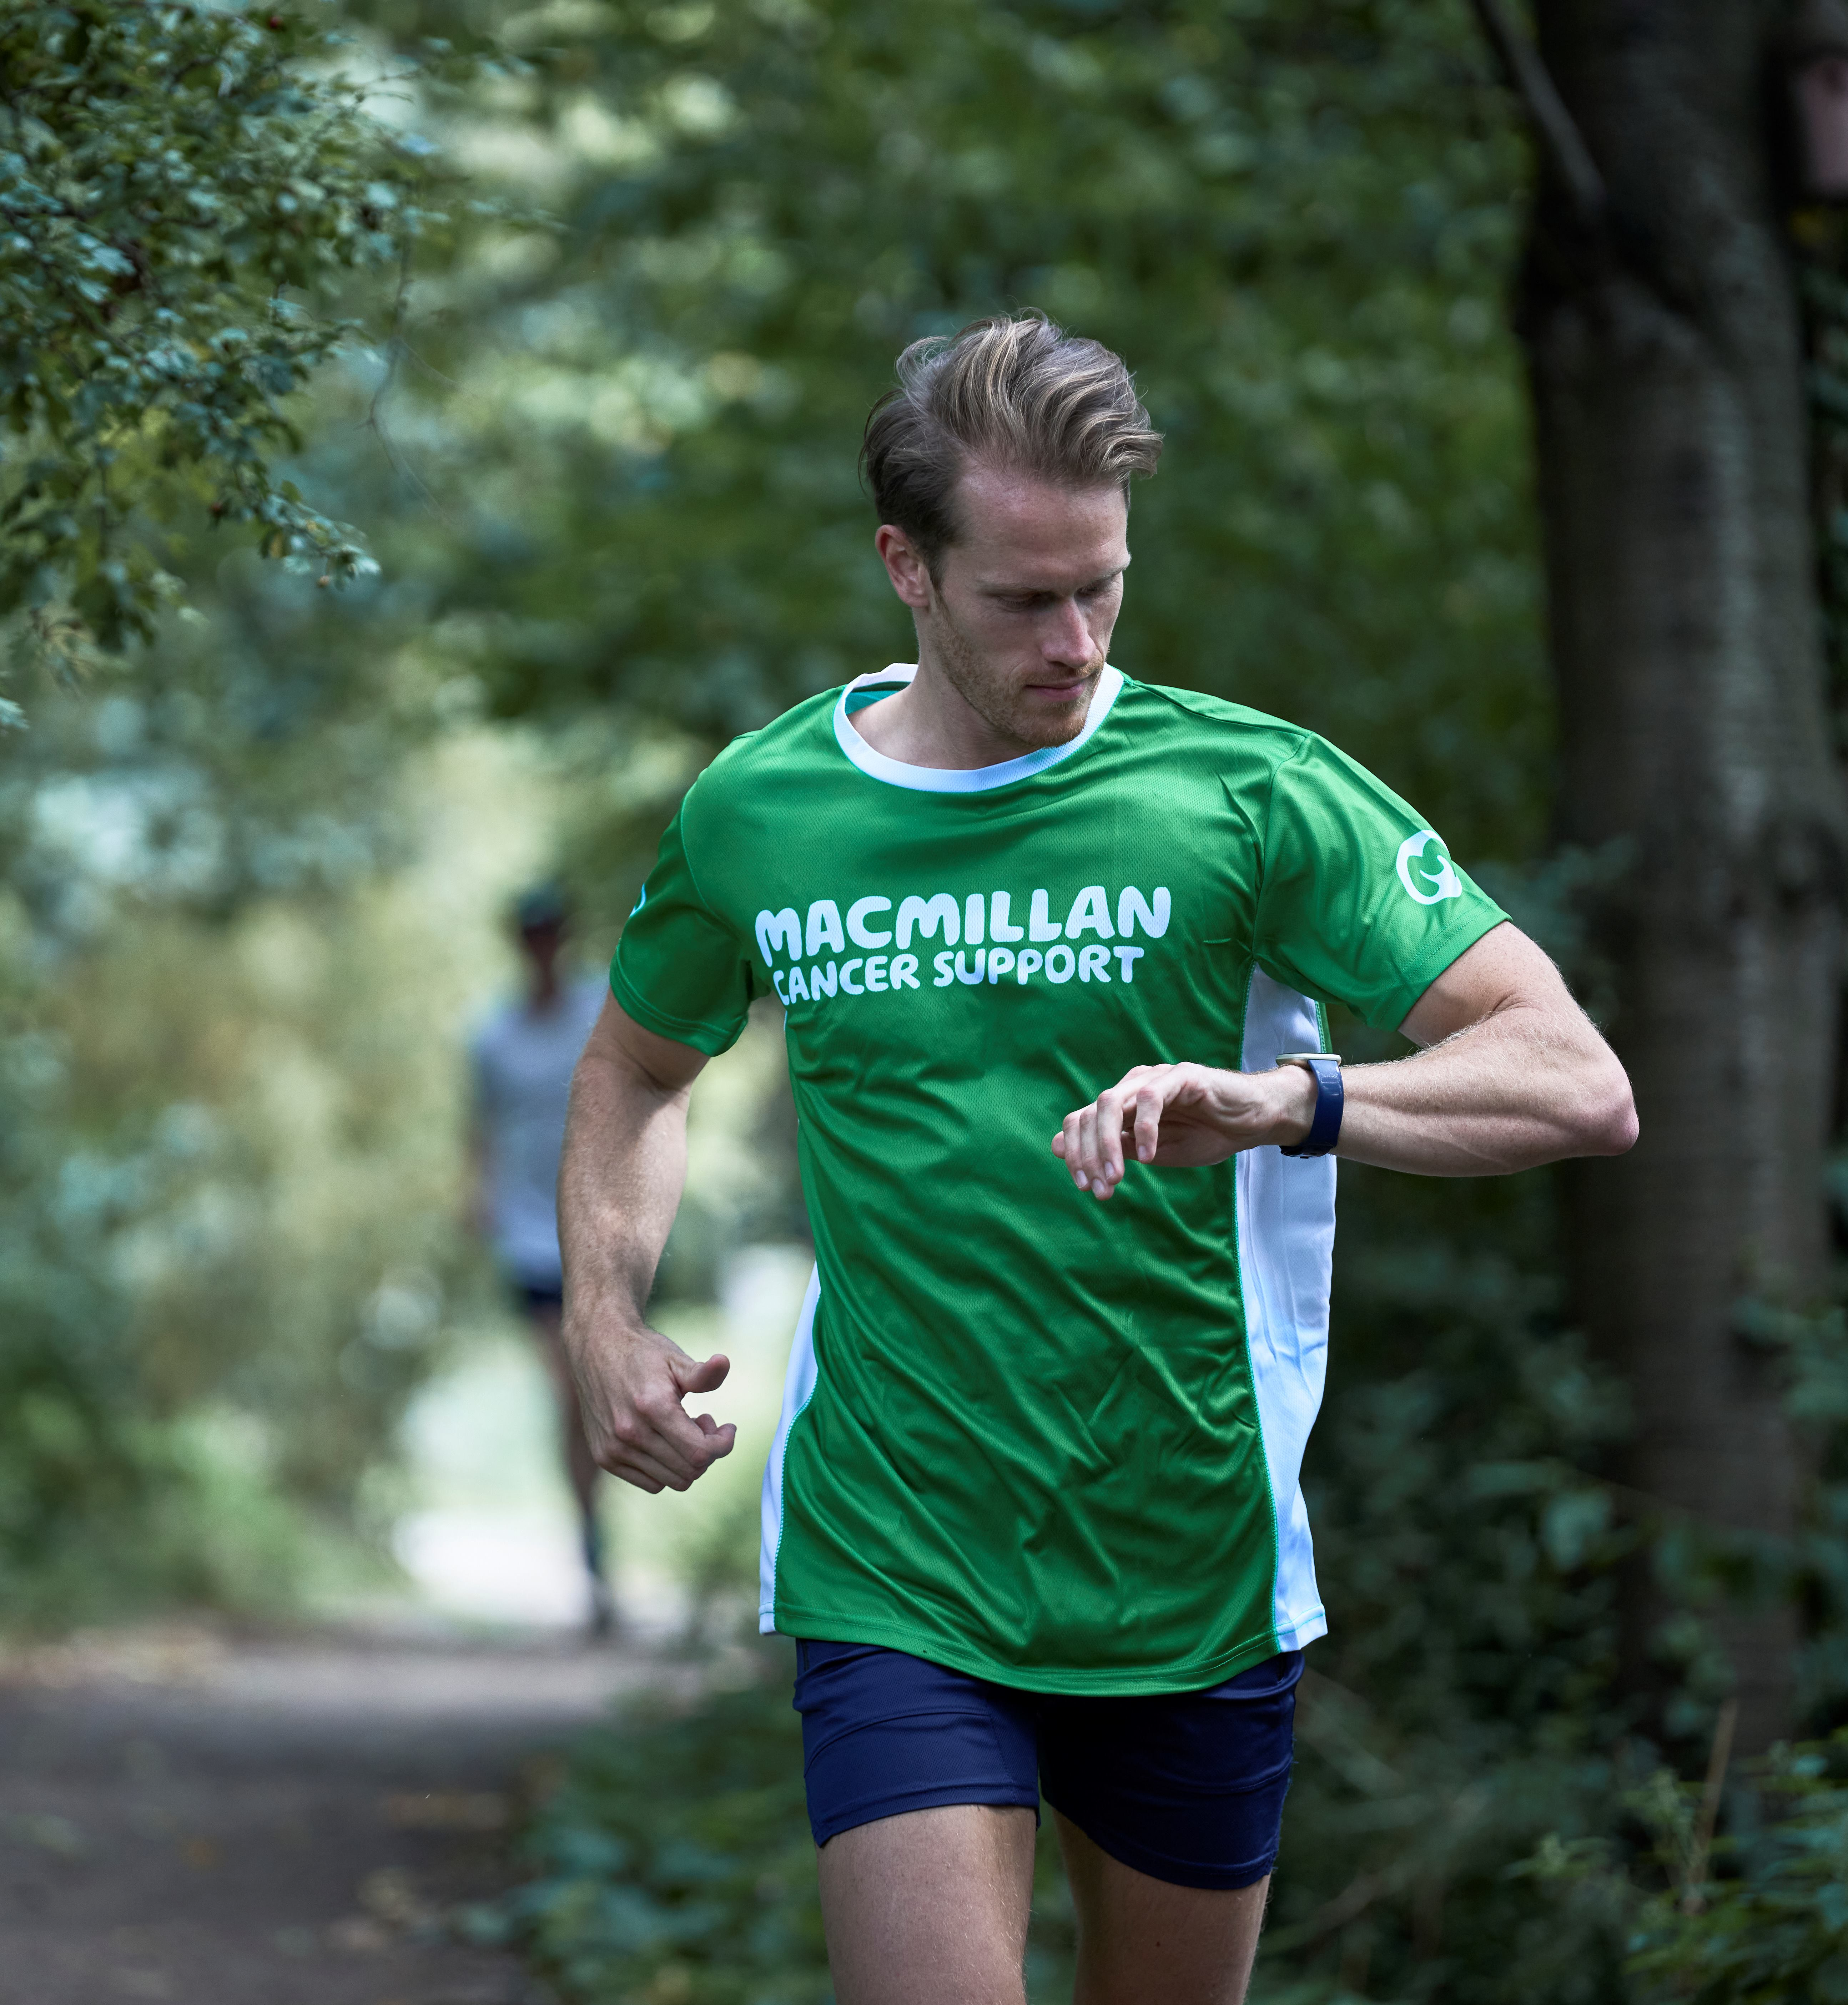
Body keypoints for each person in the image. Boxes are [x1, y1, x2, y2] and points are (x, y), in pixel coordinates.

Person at [556, 314, 1636, 2005]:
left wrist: (1287, 1101)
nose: (1070, 642)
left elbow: (1569, 1078)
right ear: (902, 565)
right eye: (1019, 599)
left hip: (1186, 1564)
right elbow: (633, 1065)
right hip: (896, 1556)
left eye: (1101, 588)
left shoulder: (1248, 793)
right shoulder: (761, 813)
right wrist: (603, 1320)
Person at [468, 883, 616, 1635]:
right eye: (530, 932)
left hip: (600, 1227)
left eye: (551, 930)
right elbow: (479, 1128)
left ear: (565, 934)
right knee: (568, 1393)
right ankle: (593, 1557)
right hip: (528, 1236)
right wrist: (478, 1196)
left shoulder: (601, 1006)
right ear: (518, 941)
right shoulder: (491, 1036)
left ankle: (599, 1543)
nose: (542, 943)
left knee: (597, 1393)